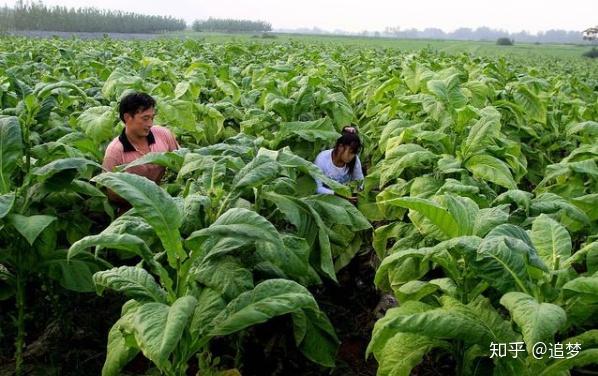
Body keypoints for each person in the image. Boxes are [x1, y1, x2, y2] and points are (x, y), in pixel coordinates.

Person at [102, 92, 179, 207]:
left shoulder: (163, 134)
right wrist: (146, 200)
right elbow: (112, 193)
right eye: (145, 118)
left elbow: (180, 162)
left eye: (152, 118)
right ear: (127, 118)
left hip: (168, 201)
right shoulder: (115, 151)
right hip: (134, 210)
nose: (150, 124)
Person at [314, 126, 364, 202]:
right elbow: (317, 188)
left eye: (354, 153)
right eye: (351, 152)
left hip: (347, 199)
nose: (352, 156)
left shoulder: (354, 159)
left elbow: (360, 181)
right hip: (326, 200)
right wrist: (339, 195)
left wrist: (357, 193)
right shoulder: (322, 159)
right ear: (340, 147)